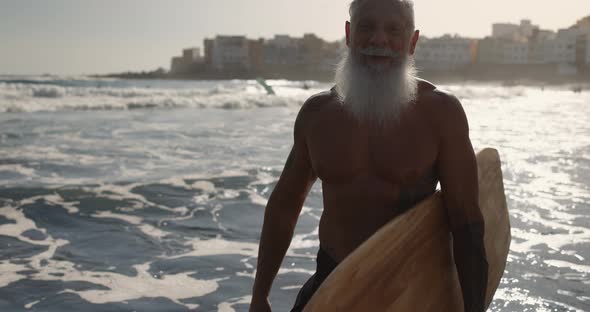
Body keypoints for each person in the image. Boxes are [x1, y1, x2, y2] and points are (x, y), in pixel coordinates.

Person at [249, 0, 488, 311]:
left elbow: (467, 222)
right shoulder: (318, 116)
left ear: (412, 41)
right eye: (367, 27)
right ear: (349, 34)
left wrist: (474, 308)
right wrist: (259, 295)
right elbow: (284, 205)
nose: (379, 39)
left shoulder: (440, 113)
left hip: (410, 290)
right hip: (334, 282)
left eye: (393, 29)